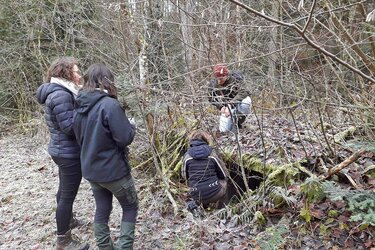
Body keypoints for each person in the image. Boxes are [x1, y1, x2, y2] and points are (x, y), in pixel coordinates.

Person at [73, 63, 138, 249]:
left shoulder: (79, 105)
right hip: (114, 171)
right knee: (130, 207)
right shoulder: (109, 105)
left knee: (102, 210)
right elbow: (124, 138)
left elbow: (78, 137)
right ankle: (124, 246)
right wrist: (132, 126)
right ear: (106, 81)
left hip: (91, 171)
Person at [36, 57, 89, 250]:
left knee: (64, 191)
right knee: (67, 195)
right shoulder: (61, 95)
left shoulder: (61, 91)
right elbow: (69, 127)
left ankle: (68, 220)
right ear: (66, 73)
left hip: (62, 149)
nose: (79, 74)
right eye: (76, 71)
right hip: (68, 152)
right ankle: (63, 240)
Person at [181, 130, 229, 209]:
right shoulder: (212, 153)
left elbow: (184, 176)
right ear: (206, 140)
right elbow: (224, 174)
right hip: (215, 193)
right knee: (224, 181)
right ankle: (223, 209)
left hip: (196, 196)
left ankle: (204, 206)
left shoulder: (187, 156)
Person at [208, 64, 252, 132]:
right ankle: (231, 123)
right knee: (223, 130)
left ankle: (238, 123)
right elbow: (210, 98)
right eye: (217, 79)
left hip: (237, 104)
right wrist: (220, 107)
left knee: (247, 101)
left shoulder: (235, 79)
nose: (219, 81)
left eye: (221, 79)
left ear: (226, 76)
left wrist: (231, 104)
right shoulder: (213, 83)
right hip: (225, 108)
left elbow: (245, 91)